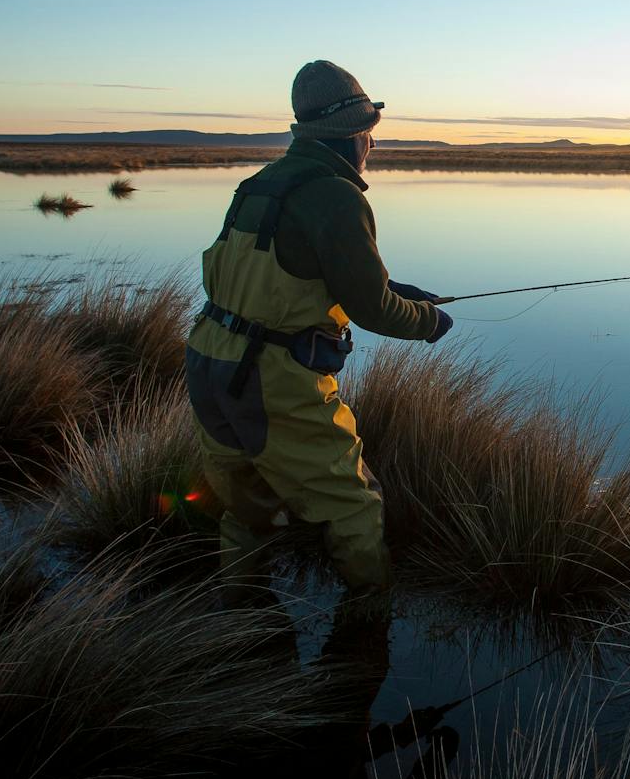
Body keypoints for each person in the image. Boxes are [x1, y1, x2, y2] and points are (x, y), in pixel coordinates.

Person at [185, 60, 453, 607]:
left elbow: (285, 272)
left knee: (245, 504)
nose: (371, 146)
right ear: (348, 134)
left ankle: (237, 619)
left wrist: (396, 286)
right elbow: (374, 310)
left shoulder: (259, 185)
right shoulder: (335, 194)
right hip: (273, 381)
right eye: (368, 134)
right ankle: (367, 629)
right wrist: (428, 322)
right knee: (353, 503)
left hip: (209, 365)